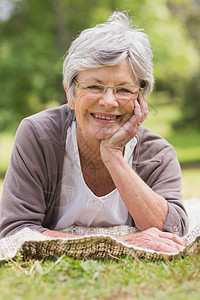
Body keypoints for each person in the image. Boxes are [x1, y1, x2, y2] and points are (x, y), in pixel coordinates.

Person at [0, 11, 188, 253]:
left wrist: (112, 155)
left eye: (123, 89)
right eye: (94, 86)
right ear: (70, 93)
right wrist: (119, 243)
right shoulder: (38, 135)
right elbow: (15, 231)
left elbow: (173, 232)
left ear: (140, 98)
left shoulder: (159, 154)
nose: (109, 101)